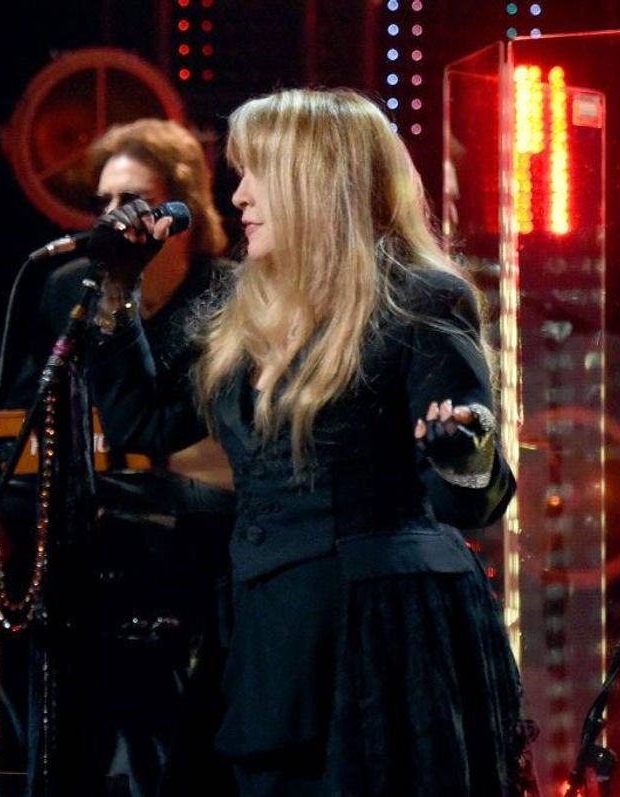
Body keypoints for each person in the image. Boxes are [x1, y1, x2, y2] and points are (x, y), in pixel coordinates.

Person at [87, 88, 530, 796]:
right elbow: (148, 421)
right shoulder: (243, 307)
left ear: (316, 180)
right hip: (264, 634)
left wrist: (463, 452)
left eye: (255, 172)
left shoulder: (418, 299)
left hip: (378, 637)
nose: (238, 197)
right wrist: (115, 290)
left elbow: (469, 500)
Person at [5, 118, 238, 797]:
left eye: (131, 199)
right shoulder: (68, 287)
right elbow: (26, 412)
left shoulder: (224, 297)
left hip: (193, 552)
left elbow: (174, 430)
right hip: (93, 547)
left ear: (179, 209)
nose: (112, 216)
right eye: (103, 202)